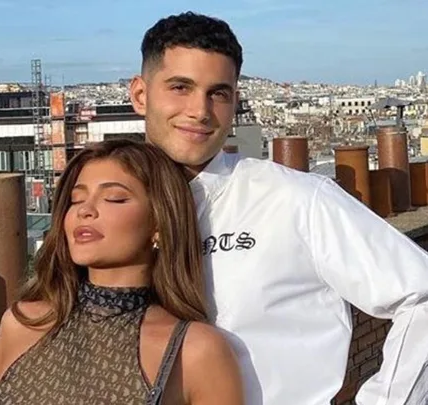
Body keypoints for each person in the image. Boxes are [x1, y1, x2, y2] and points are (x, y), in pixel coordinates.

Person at [129, 11, 428, 405]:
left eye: (218, 93)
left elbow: (420, 294)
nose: (200, 110)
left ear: (235, 101)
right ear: (140, 95)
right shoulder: (107, 210)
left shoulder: (294, 199)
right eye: (180, 87)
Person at [0, 140, 244, 405]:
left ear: (159, 223)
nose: (85, 211)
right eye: (76, 200)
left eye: (114, 198)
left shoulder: (195, 351)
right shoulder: (22, 323)